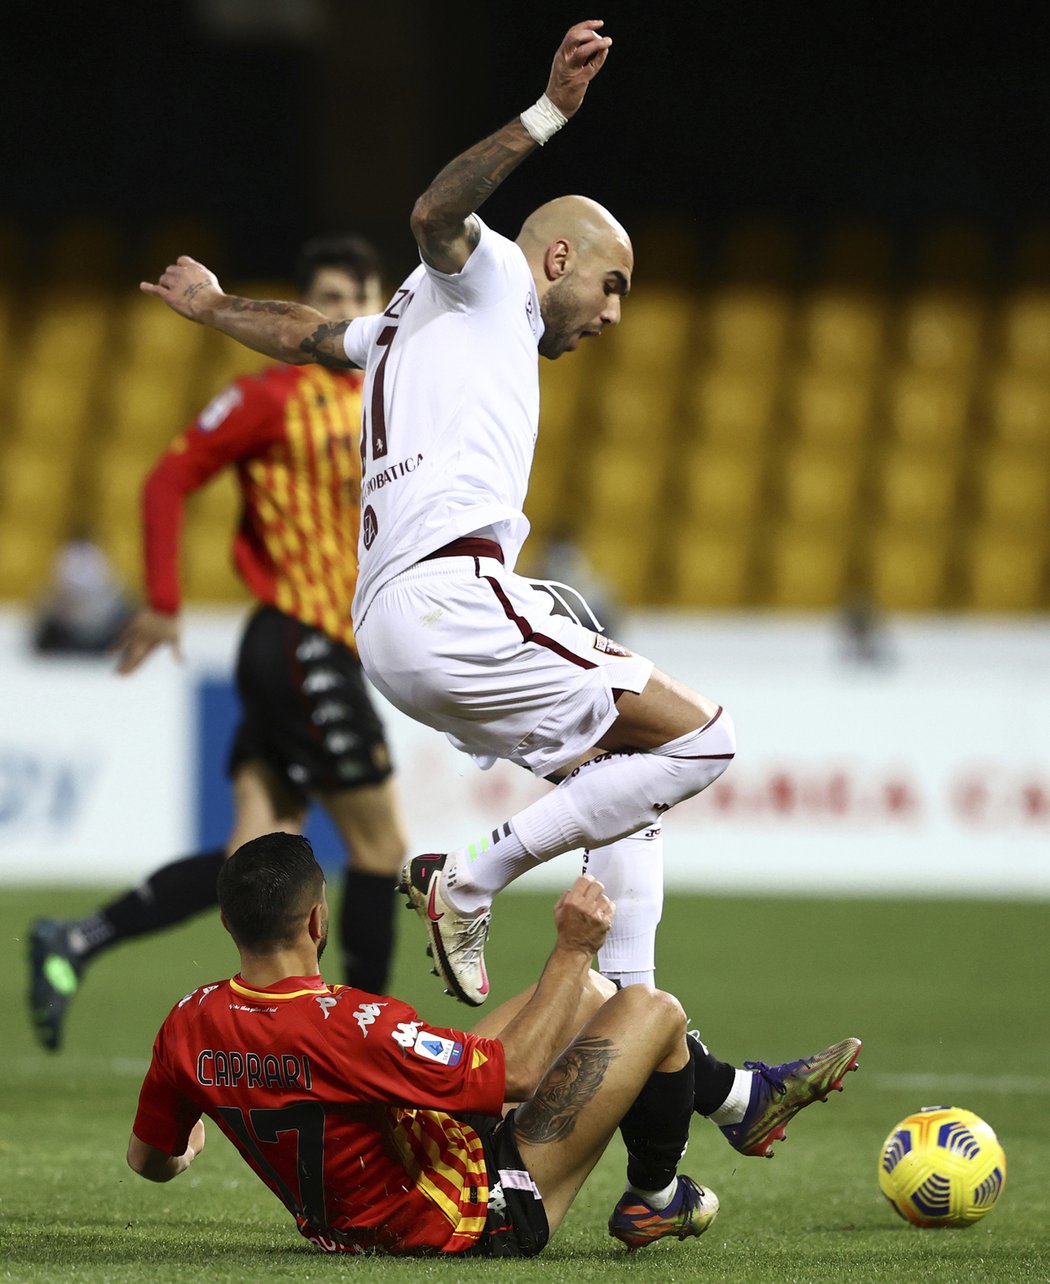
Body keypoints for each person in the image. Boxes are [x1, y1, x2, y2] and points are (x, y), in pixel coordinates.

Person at [136, 22, 851, 1169]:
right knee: (709, 739)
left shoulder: (411, 329)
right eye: (613, 287)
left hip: (396, 624)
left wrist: (215, 310)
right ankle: (469, 876)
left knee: (622, 794)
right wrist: (551, 113)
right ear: (560, 260)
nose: (614, 317)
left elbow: (312, 335)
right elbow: (431, 213)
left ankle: (675, 1134)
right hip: (453, 595)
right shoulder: (490, 281)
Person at [28, 235, 408, 1052]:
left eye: (360, 299)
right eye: (331, 300)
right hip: (299, 639)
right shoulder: (272, 397)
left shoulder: (388, 393)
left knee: (248, 856)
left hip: (318, 647)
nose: (346, 315)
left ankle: (79, 939)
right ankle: (369, 1049)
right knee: (380, 846)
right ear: (301, 313)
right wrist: (164, 603)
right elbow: (168, 478)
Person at [128, 832, 859, 1256]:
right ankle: (655, 1192)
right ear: (318, 921)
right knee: (652, 1009)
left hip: (380, 1184)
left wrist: (189, 1145)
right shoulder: (351, 1022)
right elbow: (522, 1074)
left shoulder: (186, 1025)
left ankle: (732, 1107)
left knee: (596, 999)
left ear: (227, 925)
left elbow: (149, 1160)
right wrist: (570, 946)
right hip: (467, 1214)